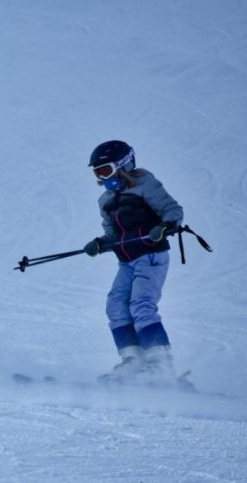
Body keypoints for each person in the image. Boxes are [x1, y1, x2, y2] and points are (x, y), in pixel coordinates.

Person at [83, 140, 184, 383]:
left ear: (123, 165)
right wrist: (100, 243)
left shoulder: (144, 184)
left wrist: (166, 226)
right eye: (97, 172)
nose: (101, 177)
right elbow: (112, 234)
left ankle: (161, 364)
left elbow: (173, 209)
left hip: (151, 254)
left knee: (141, 304)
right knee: (115, 305)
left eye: (105, 170)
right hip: (127, 261)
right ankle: (133, 361)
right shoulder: (105, 200)